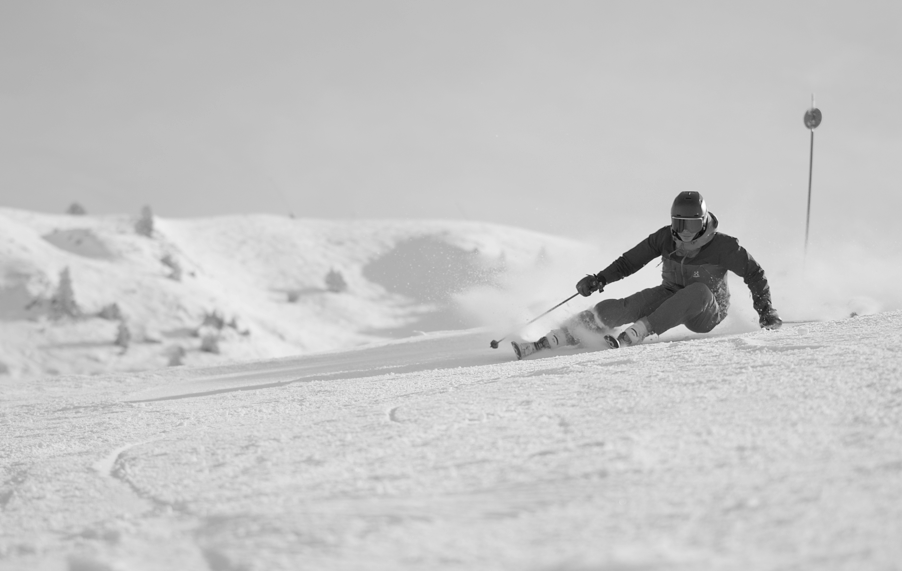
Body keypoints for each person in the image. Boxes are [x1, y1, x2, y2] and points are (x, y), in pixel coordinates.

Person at [512, 191, 782, 359]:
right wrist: (600, 279)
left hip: (706, 309)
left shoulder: (724, 246)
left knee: (698, 291)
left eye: (692, 225)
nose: (685, 233)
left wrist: (765, 310)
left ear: (703, 223)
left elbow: (754, 274)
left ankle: (639, 331)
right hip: (670, 294)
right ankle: (567, 333)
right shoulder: (665, 238)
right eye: (680, 224)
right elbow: (631, 261)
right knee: (620, 307)